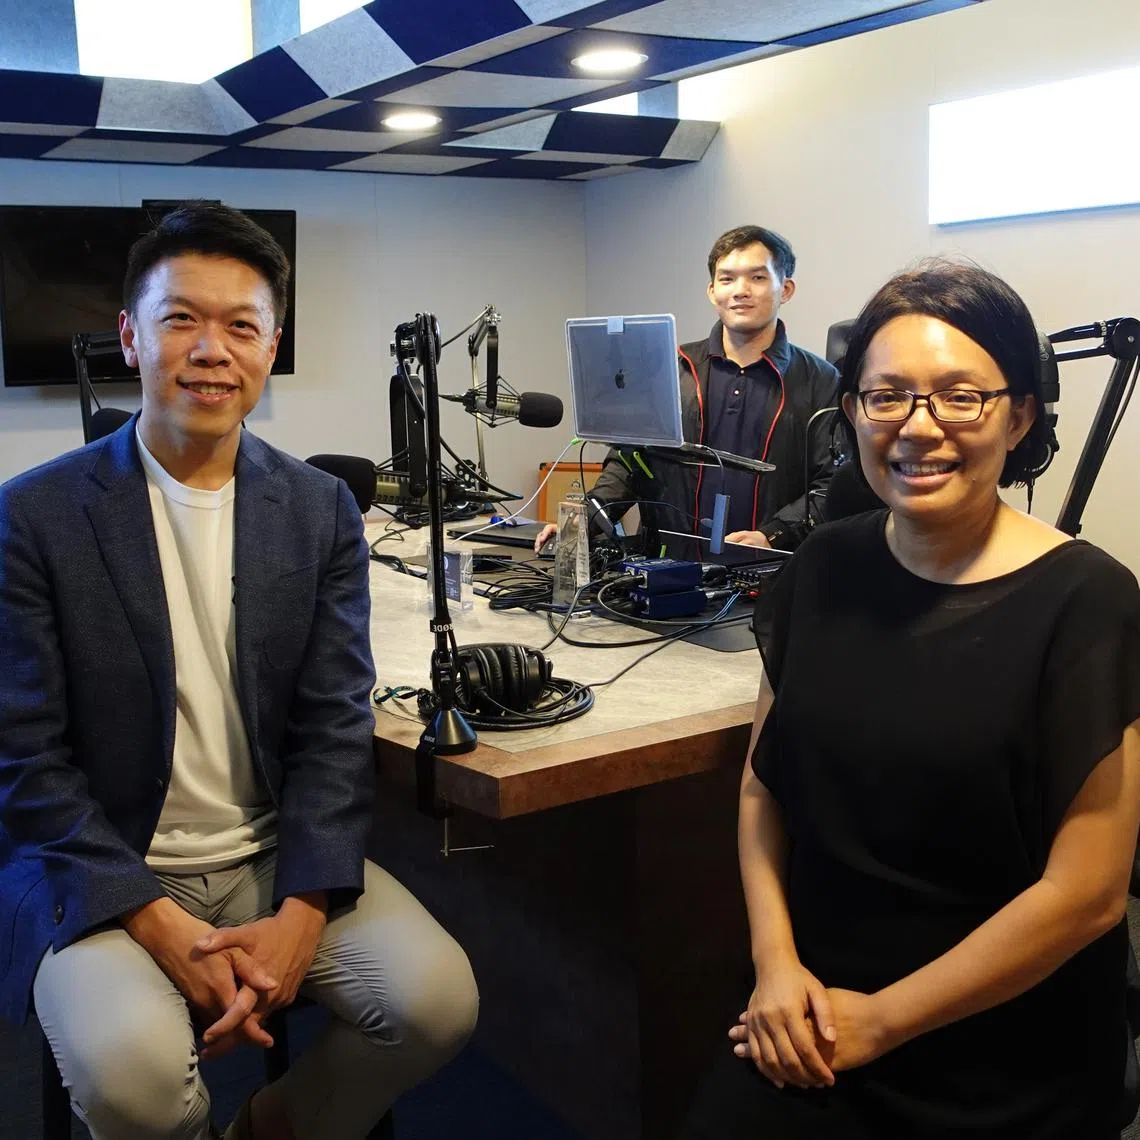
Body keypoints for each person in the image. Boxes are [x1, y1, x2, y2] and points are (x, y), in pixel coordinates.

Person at [0, 202, 478, 1140]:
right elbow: (23, 758)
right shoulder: (34, 518)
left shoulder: (318, 509)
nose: (211, 349)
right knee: (133, 1083)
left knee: (435, 1003)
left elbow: (334, 725)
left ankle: (269, 1124)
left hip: (270, 859)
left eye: (241, 325)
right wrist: (155, 922)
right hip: (104, 866)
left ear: (271, 346)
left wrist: (304, 909)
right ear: (132, 338)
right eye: (182, 319)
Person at [679, 260, 1140, 1139]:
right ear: (850, 414)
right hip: (809, 1011)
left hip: (997, 1032)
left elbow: (1088, 896)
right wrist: (774, 966)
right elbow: (761, 787)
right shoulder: (821, 567)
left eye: (959, 397)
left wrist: (881, 1022)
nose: (917, 427)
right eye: (885, 396)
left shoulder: (1090, 601)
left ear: (1020, 416)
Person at [535, 224, 839, 558]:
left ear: (786, 289)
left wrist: (773, 534)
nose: (740, 290)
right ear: (712, 291)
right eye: (727, 279)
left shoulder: (821, 381)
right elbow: (629, 462)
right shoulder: (670, 368)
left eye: (758, 277)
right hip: (667, 571)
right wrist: (584, 519)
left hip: (769, 574)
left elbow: (832, 484)